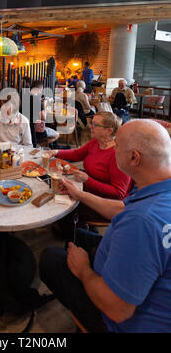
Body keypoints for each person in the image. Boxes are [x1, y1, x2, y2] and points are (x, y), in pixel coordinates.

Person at [39, 119, 171, 333]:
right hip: (144, 273)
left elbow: (118, 309)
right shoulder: (157, 190)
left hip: (120, 321)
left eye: (117, 145)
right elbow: (123, 208)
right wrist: (80, 194)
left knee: (50, 258)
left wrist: (84, 271)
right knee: (78, 236)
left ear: (133, 157)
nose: (113, 148)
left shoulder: (142, 222)